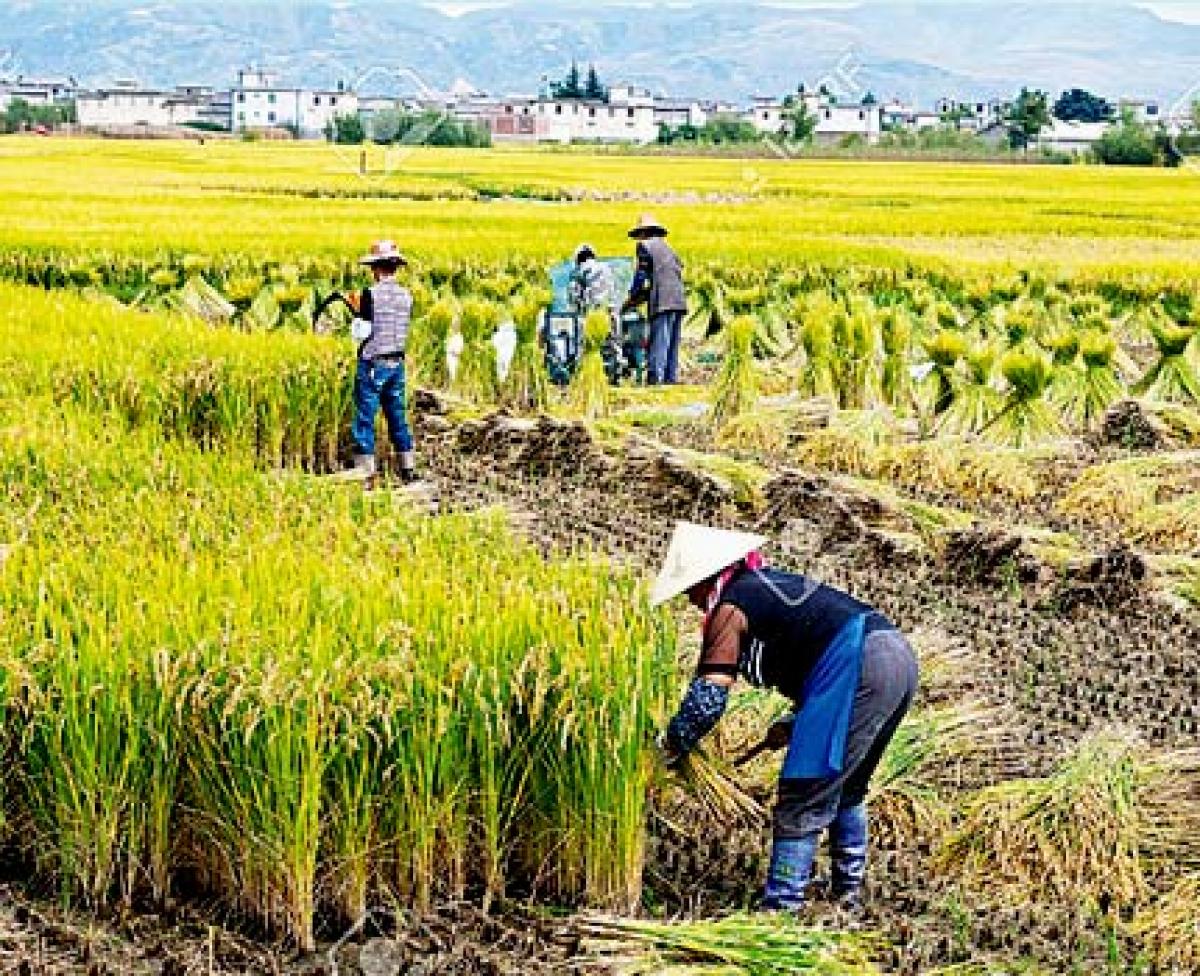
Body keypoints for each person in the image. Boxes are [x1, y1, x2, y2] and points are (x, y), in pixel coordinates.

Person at [651, 522, 919, 912]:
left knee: (803, 793)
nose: (690, 600)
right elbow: (812, 640)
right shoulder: (763, 586)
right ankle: (848, 894)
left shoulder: (730, 607)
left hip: (855, 663)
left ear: (707, 579)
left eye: (689, 589)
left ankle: (781, 908)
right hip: (895, 657)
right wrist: (796, 723)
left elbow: (708, 698)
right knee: (848, 784)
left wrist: (670, 748)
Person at [338, 240, 418, 483]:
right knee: (397, 415)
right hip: (397, 363)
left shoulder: (370, 294)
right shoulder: (407, 296)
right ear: (395, 267)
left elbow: (362, 332)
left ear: (375, 268)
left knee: (365, 415)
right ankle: (407, 465)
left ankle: (366, 467)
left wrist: (355, 313)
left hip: (373, 362)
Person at [621, 214, 687, 385]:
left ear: (644, 233)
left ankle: (655, 381)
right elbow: (669, 272)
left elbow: (641, 276)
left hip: (663, 299)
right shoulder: (670, 249)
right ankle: (669, 380)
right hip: (678, 298)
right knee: (672, 343)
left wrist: (631, 297)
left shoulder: (644, 246)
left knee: (659, 340)